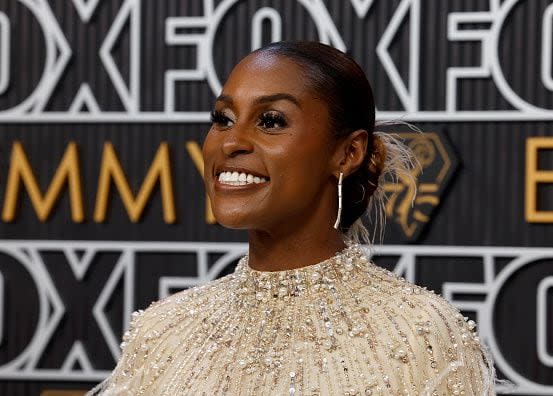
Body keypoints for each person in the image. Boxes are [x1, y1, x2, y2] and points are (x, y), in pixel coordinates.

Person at [89, 41, 496, 395]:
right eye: (222, 119)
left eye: (271, 121)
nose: (231, 142)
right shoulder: (161, 332)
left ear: (348, 154)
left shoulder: (419, 335)